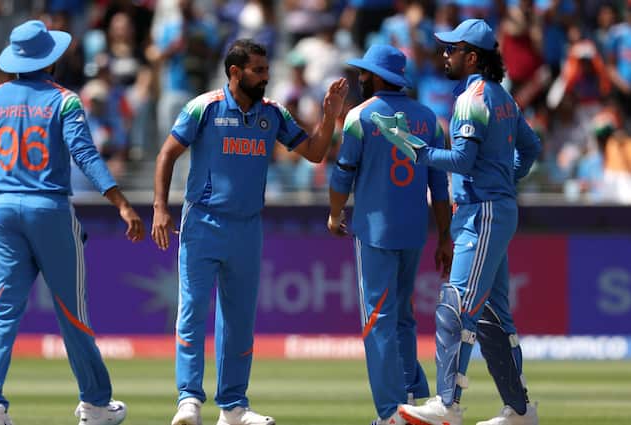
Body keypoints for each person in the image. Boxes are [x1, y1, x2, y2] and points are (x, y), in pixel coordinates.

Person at [151, 38, 348, 425]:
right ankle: (188, 401)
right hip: (203, 223)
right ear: (235, 72)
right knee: (192, 312)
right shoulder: (204, 107)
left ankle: (233, 407)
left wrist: (329, 116)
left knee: (239, 320)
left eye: (266, 70)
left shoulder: (272, 113)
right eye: (257, 71)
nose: (265, 77)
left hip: (247, 227)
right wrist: (160, 207)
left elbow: (314, 152)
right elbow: (167, 153)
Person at [0, 20, 145, 425]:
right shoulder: (65, 101)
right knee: (72, 312)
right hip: (50, 209)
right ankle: (95, 406)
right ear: (50, 60)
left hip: (4, 210)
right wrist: (120, 203)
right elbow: (85, 155)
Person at [385, 19, 542, 425]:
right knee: (491, 316)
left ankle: (447, 405)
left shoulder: (473, 98)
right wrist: (506, 179)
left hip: (482, 211)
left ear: (472, 57)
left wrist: (415, 149)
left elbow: (462, 160)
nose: (444, 55)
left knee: (455, 306)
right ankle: (520, 411)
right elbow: (531, 146)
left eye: (451, 49)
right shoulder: (502, 97)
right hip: (490, 209)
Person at [327, 44, 452, 425]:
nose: (360, 78)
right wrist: (444, 237)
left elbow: (342, 174)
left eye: (364, 73)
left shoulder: (360, 117)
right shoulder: (429, 119)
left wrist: (334, 215)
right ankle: (411, 398)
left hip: (375, 232)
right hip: (413, 231)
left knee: (377, 320)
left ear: (377, 77)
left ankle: (389, 412)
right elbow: (440, 187)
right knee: (402, 317)